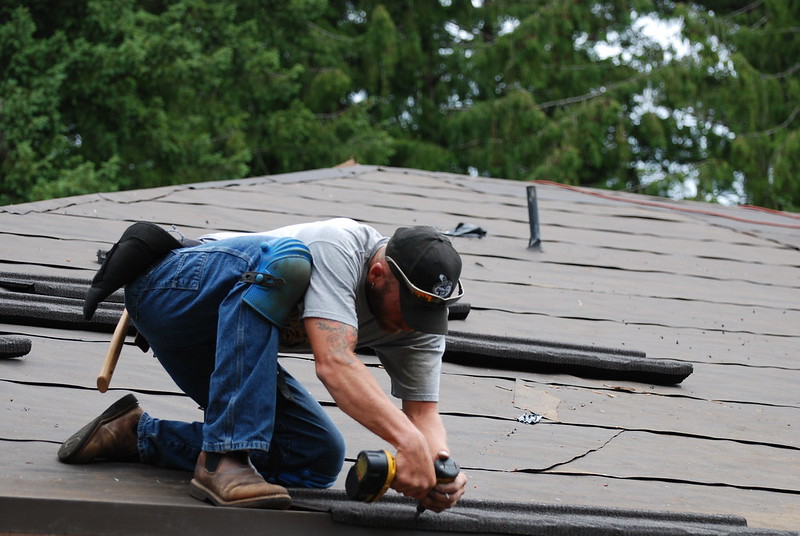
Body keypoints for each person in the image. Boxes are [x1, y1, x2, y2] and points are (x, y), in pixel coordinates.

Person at [58, 218, 468, 512]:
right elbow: (336, 364)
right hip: (172, 290)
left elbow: (423, 414)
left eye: (426, 315)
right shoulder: (340, 247)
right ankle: (224, 458)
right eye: (409, 308)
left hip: (222, 341)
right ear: (378, 274)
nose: (414, 325)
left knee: (315, 455)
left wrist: (438, 469)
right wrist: (408, 444)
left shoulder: (422, 322)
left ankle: (136, 434)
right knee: (288, 260)